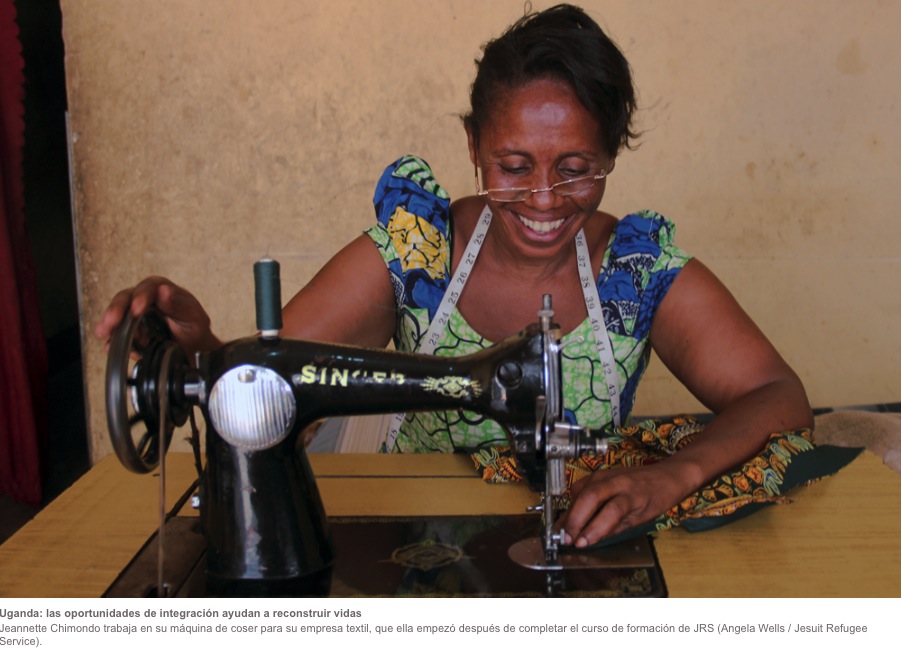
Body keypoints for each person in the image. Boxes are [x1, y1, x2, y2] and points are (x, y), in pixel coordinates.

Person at [95, 4, 813, 549]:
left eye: (575, 170)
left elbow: (777, 395)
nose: (543, 199)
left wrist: (672, 475)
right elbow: (266, 382)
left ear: (609, 158)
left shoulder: (636, 273)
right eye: (514, 166)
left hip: (575, 539)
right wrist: (199, 354)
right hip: (413, 538)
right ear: (473, 145)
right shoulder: (417, 254)